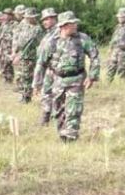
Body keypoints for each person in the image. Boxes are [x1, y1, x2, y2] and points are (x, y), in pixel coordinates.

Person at [33, 11, 100, 142]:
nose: (75, 26)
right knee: (58, 111)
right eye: (72, 24)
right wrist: (36, 84)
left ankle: (71, 138)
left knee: (73, 110)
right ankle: (63, 134)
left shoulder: (82, 39)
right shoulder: (52, 42)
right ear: (63, 26)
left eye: (75, 24)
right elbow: (41, 64)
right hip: (58, 81)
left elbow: (94, 56)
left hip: (76, 80)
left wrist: (92, 76)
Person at [12, 7, 44, 103]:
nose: (27, 19)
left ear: (34, 17)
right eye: (26, 17)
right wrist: (15, 52)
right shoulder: (24, 26)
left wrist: (20, 55)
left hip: (30, 56)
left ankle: (27, 97)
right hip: (22, 55)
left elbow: (31, 43)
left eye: (30, 17)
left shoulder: (37, 29)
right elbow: (18, 40)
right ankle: (23, 94)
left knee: (27, 77)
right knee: (22, 75)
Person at [34, 8, 60, 125]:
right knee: (46, 94)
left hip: (57, 70)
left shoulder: (58, 33)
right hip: (49, 69)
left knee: (57, 95)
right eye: (43, 20)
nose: (44, 22)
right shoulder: (49, 34)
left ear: (54, 19)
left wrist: (36, 81)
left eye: (47, 19)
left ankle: (56, 119)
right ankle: (45, 118)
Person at [0, 8, 15, 83]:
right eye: (5, 14)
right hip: (3, 47)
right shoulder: (3, 25)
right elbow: (0, 37)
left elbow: (16, 36)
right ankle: (5, 78)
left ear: (11, 16)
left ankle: (9, 79)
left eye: (8, 15)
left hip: (10, 47)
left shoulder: (14, 24)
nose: (6, 16)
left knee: (8, 64)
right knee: (3, 63)